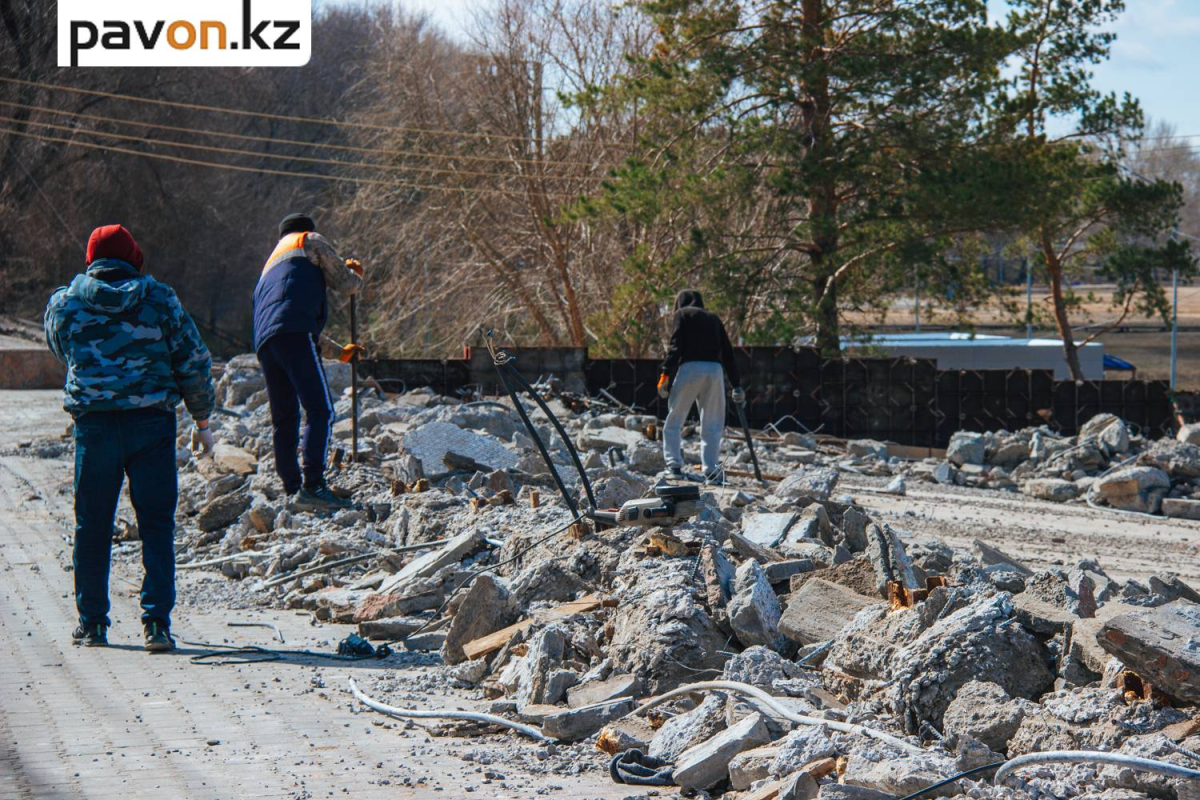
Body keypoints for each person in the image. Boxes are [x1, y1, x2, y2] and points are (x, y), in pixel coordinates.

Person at [45, 224, 215, 651]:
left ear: (91, 259)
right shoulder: (160, 300)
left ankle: (93, 623)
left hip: (95, 427)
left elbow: (60, 347)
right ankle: (156, 624)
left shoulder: (65, 304)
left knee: (92, 525)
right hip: (151, 427)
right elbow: (192, 361)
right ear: (133, 256)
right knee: (156, 525)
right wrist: (202, 419)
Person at [253, 213, 363, 510]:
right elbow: (345, 283)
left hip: (266, 344)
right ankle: (313, 485)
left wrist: (339, 352)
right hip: (294, 333)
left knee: (285, 417)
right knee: (320, 408)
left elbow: (285, 319)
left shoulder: (269, 268)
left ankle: (292, 490)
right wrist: (354, 275)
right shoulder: (307, 240)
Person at [657, 290, 744, 484]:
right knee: (712, 422)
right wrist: (736, 385)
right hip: (715, 371)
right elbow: (728, 353)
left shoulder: (682, 314)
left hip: (690, 368)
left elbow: (675, 346)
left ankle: (674, 466)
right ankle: (711, 471)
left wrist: (666, 374)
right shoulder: (713, 318)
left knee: (675, 419)